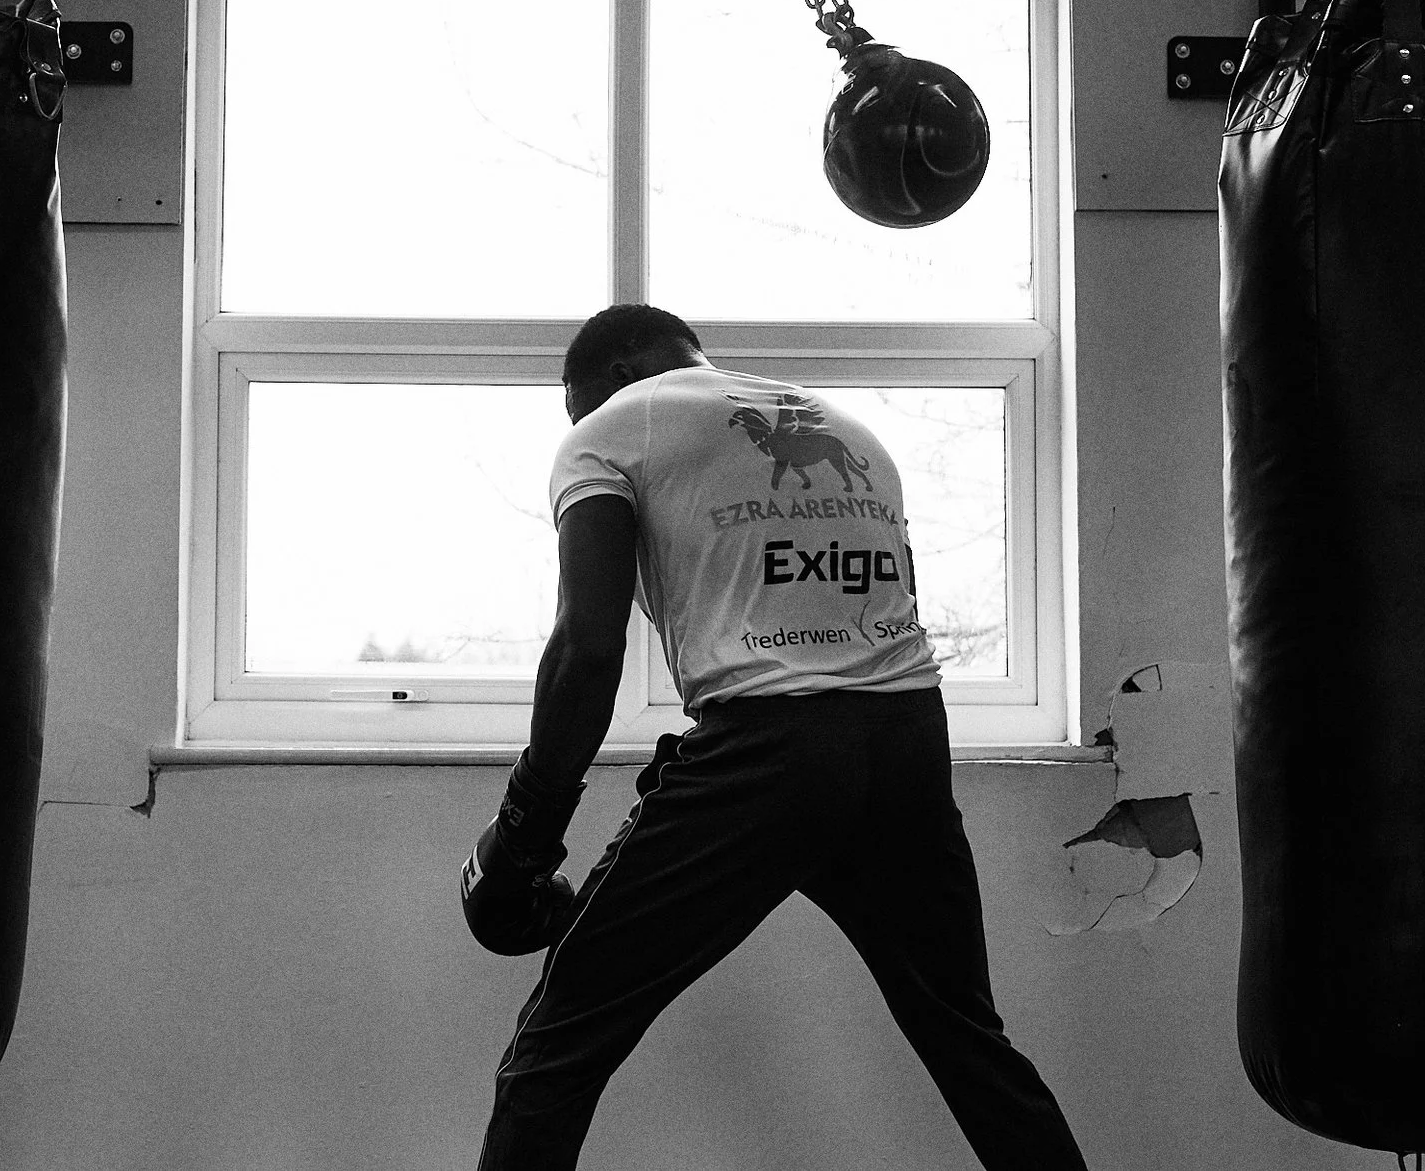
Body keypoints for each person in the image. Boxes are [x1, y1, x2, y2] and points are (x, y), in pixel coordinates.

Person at [459, 303, 1088, 1171]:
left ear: (609, 376)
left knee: (554, 1050)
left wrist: (525, 831)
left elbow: (589, 647)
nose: (584, 424)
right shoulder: (849, 429)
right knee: (968, 1040)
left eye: (581, 407)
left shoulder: (608, 429)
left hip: (770, 755)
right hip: (906, 741)